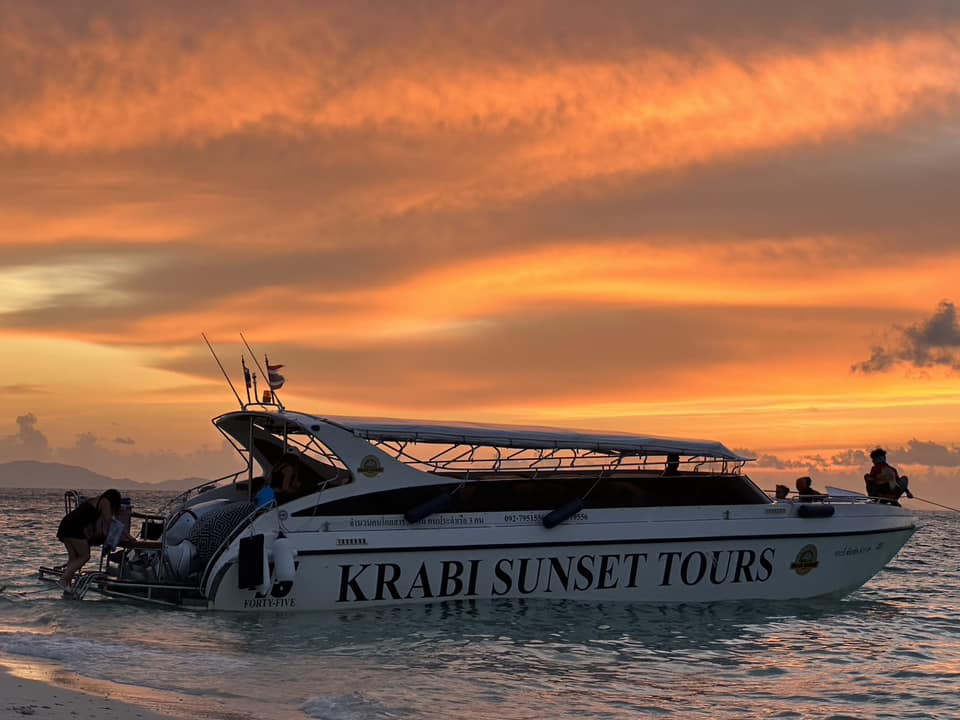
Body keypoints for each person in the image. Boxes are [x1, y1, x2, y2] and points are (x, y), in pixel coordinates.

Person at [56, 489, 123, 593]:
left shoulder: (95, 500)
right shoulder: (105, 501)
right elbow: (108, 520)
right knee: (85, 556)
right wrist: (121, 532)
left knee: (73, 557)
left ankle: (67, 586)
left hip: (66, 524)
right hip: (74, 527)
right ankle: (64, 579)